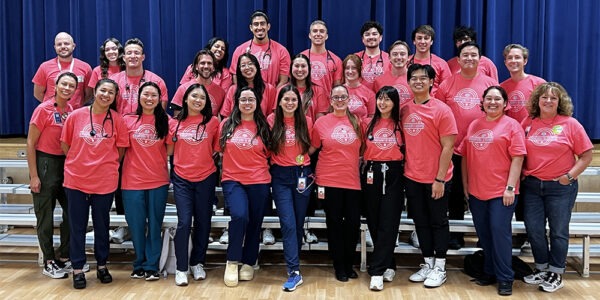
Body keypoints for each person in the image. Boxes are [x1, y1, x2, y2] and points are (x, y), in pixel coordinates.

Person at [521, 82, 593, 293]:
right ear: (537, 100)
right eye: (544, 97)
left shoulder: (570, 124)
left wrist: (569, 176)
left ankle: (556, 272)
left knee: (558, 232)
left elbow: (587, 155)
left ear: (560, 101)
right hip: (533, 186)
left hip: (560, 187)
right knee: (534, 230)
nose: (548, 101)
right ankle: (542, 268)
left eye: (553, 98)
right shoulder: (528, 122)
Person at [60, 78, 129, 289]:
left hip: (104, 182)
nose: (106, 95)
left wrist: (104, 166)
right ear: (95, 91)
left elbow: (120, 150)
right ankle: (78, 269)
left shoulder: (117, 119)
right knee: (77, 226)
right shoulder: (75, 116)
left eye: (111, 92)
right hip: (76, 180)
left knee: (102, 226)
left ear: (115, 97)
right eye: (103, 90)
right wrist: (81, 162)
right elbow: (65, 144)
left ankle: (101, 265)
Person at [458, 86, 526, 296]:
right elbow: (465, 157)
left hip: (501, 192)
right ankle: (488, 272)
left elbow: (518, 158)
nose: (493, 102)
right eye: (489, 98)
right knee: (484, 235)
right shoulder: (474, 125)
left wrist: (510, 188)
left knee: (499, 233)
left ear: (505, 104)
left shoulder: (512, 125)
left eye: (497, 99)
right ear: (483, 102)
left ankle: (505, 278)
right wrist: (466, 185)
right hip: (478, 191)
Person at [435, 41, 497, 250]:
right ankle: (456, 234)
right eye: (465, 55)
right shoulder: (447, 85)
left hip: (483, 147)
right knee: (454, 194)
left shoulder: (490, 84)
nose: (469, 58)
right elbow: (439, 115)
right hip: (452, 146)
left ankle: (485, 235)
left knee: (482, 191)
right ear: (458, 60)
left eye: (473, 55)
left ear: (480, 59)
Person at [402, 64, 456, 288]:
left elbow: (448, 146)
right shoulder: (404, 109)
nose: (418, 81)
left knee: (438, 222)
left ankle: (440, 266)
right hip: (412, 176)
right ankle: (427, 262)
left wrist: (440, 179)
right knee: (420, 222)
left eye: (423, 78)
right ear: (408, 82)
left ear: (432, 82)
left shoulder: (442, 110)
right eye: (413, 78)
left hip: (437, 179)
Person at [167, 83, 220, 286]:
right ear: (186, 99)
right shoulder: (175, 123)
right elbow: (169, 151)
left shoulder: (213, 122)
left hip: (206, 178)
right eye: (194, 96)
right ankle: (182, 267)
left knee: (203, 222)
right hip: (181, 178)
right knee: (184, 222)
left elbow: (216, 149)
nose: (198, 100)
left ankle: (197, 262)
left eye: (202, 98)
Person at [310, 85, 364, 282]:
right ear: (330, 100)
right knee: (333, 224)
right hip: (328, 180)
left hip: (352, 181)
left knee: (352, 224)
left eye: (343, 97)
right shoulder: (321, 123)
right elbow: (312, 149)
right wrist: (296, 161)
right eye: (336, 97)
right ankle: (339, 265)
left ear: (349, 99)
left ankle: (349, 263)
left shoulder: (357, 122)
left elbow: (364, 150)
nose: (339, 100)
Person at [218, 86, 271, 287]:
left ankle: (249, 261)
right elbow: (219, 150)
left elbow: (270, 154)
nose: (247, 103)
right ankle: (232, 261)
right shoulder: (226, 125)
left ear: (257, 103)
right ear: (236, 102)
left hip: (259, 180)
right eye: (243, 99)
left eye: (251, 99)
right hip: (233, 179)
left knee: (255, 222)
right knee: (239, 216)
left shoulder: (264, 126)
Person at [27, 72, 78, 279]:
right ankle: (48, 261)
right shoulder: (43, 109)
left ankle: (64, 256)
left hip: (65, 163)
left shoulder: (72, 110)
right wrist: (33, 175)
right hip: (45, 163)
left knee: (72, 213)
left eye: (71, 86)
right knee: (45, 216)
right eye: (63, 84)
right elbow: (30, 143)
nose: (67, 88)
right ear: (55, 86)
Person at [121, 82, 170, 281]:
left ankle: (152, 265)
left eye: (154, 95)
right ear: (139, 97)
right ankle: (139, 262)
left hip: (157, 180)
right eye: (146, 94)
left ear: (160, 99)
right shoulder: (127, 120)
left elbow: (170, 150)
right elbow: (122, 150)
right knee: (136, 225)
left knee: (155, 224)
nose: (149, 98)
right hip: (131, 181)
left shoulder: (167, 121)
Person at [268, 85, 314, 291]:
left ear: (299, 102)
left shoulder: (307, 122)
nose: (289, 103)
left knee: (297, 223)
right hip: (280, 176)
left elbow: (313, 145)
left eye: (293, 100)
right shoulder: (271, 121)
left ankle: (294, 267)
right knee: (287, 223)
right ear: (279, 102)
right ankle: (294, 271)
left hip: (302, 174)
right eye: (286, 99)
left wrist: (301, 159)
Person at [362, 86, 404, 291]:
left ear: (395, 103)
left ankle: (376, 271)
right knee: (374, 220)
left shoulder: (401, 124)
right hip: (370, 173)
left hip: (394, 174)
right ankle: (389, 263)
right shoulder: (367, 122)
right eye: (380, 98)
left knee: (389, 220)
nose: (383, 103)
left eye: (388, 99)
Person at [230, 10, 291, 88]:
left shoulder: (282, 51)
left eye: (262, 24)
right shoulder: (240, 50)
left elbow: (283, 81)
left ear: (268, 26)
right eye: (256, 24)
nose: (259, 27)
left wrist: (272, 96)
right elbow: (235, 78)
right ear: (251, 28)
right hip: (247, 97)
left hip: (271, 97)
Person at [32, 32, 92, 108]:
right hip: (51, 114)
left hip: (75, 114)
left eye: (66, 43)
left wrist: (75, 106)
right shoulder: (44, 67)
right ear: (55, 47)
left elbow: (89, 95)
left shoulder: (85, 67)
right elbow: (38, 93)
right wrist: (53, 106)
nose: (63, 46)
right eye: (59, 44)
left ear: (73, 46)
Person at [110, 38, 169, 116]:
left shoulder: (157, 81)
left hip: (147, 126)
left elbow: (161, 113)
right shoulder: (113, 81)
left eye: (137, 53)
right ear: (124, 58)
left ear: (143, 57)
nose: (133, 56)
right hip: (118, 125)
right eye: (129, 53)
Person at [170, 49, 226, 117]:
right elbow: (177, 120)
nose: (206, 66)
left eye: (209, 63)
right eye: (202, 63)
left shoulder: (221, 92)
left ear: (214, 67)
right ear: (196, 66)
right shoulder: (183, 89)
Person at [500, 44, 546, 123]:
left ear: (525, 61)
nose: (513, 61)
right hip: (511, 132)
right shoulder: (501, 87)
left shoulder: (539, 83)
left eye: (517, 57)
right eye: (510, 58)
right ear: (505, 62)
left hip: (533, 131)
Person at [220, 53, 276, 117]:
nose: (247, 67)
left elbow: (271, 117)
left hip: (261, 126)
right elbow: (226, 116)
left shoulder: (269, 89)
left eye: (250, 64)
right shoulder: (233, 90)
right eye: (243, 65)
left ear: (257, 66)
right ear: (239, 70)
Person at [301, 20, 343, 95]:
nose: (318, 34)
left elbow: (337, 89)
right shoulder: (301, 58)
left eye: (322, 31)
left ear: (326, 36)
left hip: (327, 105)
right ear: (310, 35)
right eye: (315, 31)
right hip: (304, 104)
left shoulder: (336, 60)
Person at [408, 25, 451, 95]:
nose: (422, 41)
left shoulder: (441, 64)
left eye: (426, 38)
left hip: (433, 105)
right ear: (414, 41)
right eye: (419, 38)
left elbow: (448, 90)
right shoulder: (406, 62)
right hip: (409, 104)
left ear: (431, 42)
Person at [286, 53, 329, 120]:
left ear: (309, 69)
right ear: (291, 68)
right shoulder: (282, 90)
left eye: (303, 66)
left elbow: (320, 120)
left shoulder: (318, 90)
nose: (300, 69)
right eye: (296, 66)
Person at [373, 40, 413, 107]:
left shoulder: (415, 80)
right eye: (395, 54)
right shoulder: (379, 81)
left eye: (402, 54)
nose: (399, 57)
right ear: (389, 58)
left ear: (408, 57)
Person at [354, 21, 391, 90]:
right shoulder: (355, 58)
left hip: (383, 99)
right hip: (360, 99)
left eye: (374, 34)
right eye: (367, 34)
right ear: (362, 39)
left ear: (380, 38)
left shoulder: (389, 58)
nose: (371, 37)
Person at [343, 54, 376, 120]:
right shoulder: (337, 92)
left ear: (360, 69)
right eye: (347, 68)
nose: (350, 71)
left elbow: (371, 119)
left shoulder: (370, 94)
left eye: (354, 68)